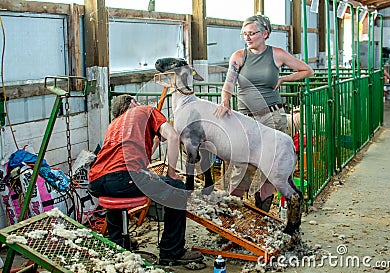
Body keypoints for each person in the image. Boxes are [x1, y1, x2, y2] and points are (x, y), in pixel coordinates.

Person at [214, 15, 314, 212]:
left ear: (265, 34)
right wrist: (225, 101)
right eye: (245, 34)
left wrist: (284, 78)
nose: (248, 38)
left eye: (252, 33)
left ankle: (263, 213)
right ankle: (235, 214)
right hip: (245, 120)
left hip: (272, 117)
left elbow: (307, 70)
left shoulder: (276, 54)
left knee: (270, 166)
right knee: (241, 165)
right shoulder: (239, 56)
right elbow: (229, 82)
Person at [88, 94, 203, 265]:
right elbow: (173, 137)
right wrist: (172, 172)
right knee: (177, 189)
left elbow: (134, 160)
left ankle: (118, 243)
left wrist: (154, 140)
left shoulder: (114, 125)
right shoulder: (146, 111)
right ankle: (172, 251)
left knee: (118, 190)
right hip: (123, 175)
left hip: (97, 180)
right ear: (133, 103)